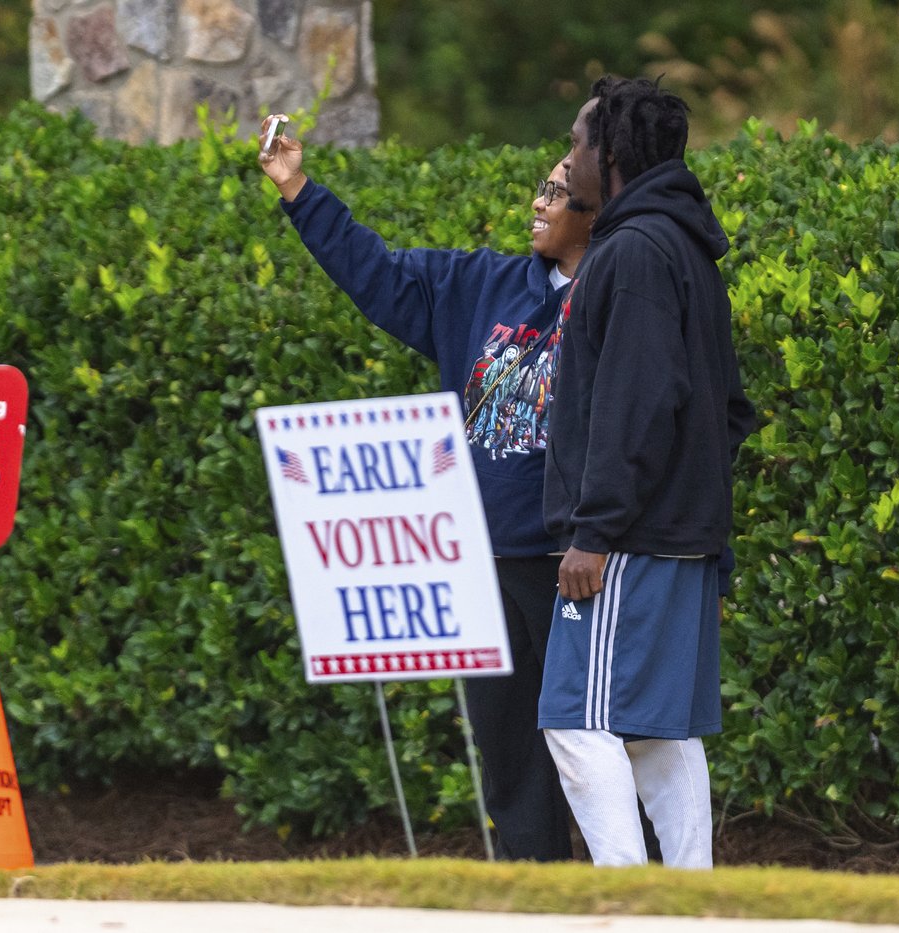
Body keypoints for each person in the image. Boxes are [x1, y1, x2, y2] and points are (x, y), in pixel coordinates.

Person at [257, 115, 593, 861]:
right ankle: (535, 898)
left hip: (572, 561)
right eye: (540, 187)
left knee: (601, 745)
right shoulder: (480, 284)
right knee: (509, 753)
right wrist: (298, 190)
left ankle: (633, 893)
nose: (538, 202)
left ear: (599, 208)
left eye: (559, 192)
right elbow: (376, 273)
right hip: (483, 559)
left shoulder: (615, 298)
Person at [537, 76, 757, 869]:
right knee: (658, 731)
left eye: (575, 143)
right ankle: (692, 903)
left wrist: (594, 531)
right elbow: (728, 407)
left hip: (625, 541)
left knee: (576, 720)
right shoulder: (690, 249)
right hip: (680, 535)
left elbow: (635, 404)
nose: (567, 160)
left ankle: (630, 903)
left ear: (612, 154)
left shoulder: (630, 251)